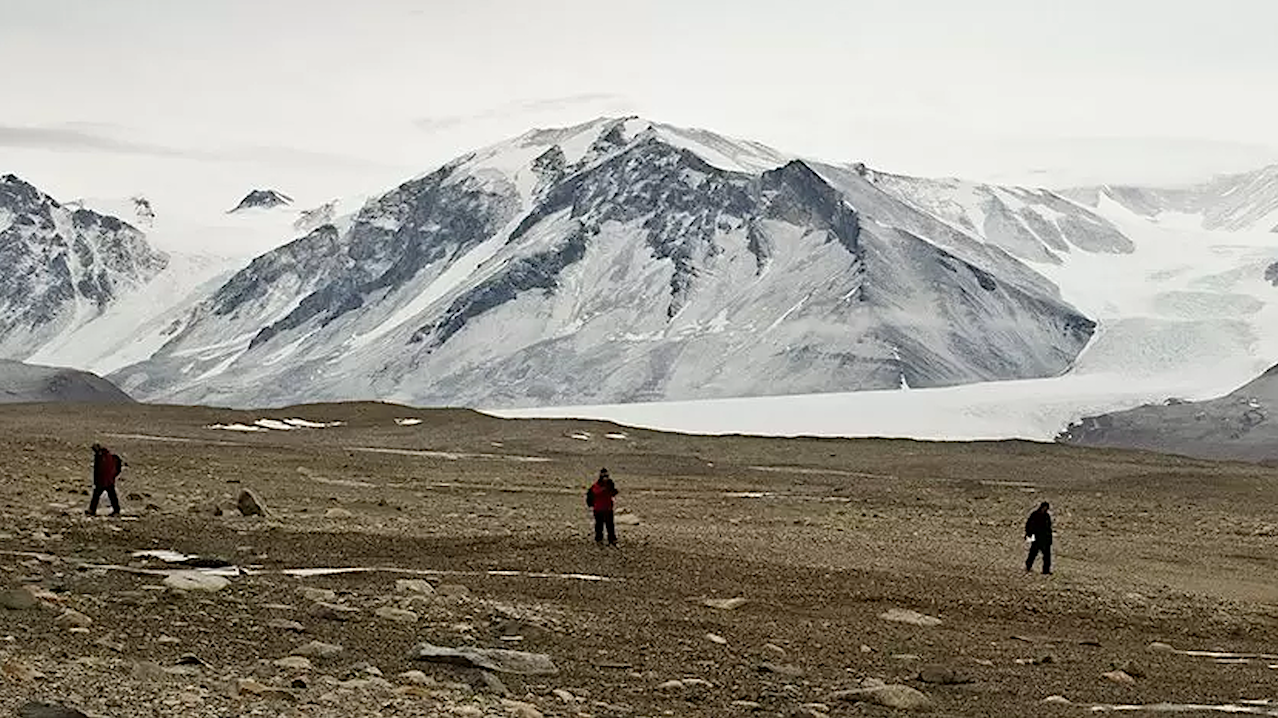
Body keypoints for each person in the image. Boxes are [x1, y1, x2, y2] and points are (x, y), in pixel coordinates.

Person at [86, 443, 124, 517]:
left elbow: (98, 470)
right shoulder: (108, 456)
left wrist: (96, 481)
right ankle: (116, 510)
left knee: (96, 496)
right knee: (112, 496)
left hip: (102, 480)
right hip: (109, 480)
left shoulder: (100, 457)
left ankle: (92, 510)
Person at [585, 468, 619, 546]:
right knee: (603, 525)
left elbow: (612, 493)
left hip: (604, 508)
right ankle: (604, 539)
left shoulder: (606, 485)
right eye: (605, 476)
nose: (606, 478)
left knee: (606, 525)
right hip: (602, 508)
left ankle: (607, 539)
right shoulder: (600, 486)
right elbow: (611, 493)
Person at [1024, 501, 1052, 574]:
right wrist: (1029, 534)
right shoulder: (1035, 515)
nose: (1045, 509)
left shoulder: (1047, 516)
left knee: (1047, 556)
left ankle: (1046, 570)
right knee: (1033, 553)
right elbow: (1029, 525)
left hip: (1045, 539)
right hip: (1037, 538)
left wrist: (1050, 539)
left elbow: (1048, 528)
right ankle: (1028, 566)